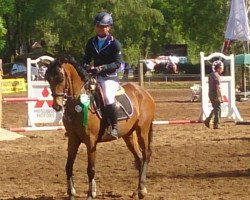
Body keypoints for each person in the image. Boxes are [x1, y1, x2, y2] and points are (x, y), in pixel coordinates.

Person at [82, 12, 122, 139]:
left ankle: (114, 126)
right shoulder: (91, 42)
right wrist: (87, 66)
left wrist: (102, 68)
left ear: (109, 27)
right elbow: (85, 59)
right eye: (98, 26)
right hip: (94, 76)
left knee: (108, 97)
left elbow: (117, 64)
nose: (101, 28)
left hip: (110, 77)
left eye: (104, 26)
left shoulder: (115, 43)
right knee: (81, 95)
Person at [204, 60, 224, 129]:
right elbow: (217, 87)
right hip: (215, 93)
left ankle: (208, 120)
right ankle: (216, 124)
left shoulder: (210, 75)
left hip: (210, 93)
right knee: (218, 108)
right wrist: (221, 96)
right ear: (218, 68)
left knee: (215, 108)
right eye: (221, 68)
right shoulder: (217, 75)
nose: (222, 69)